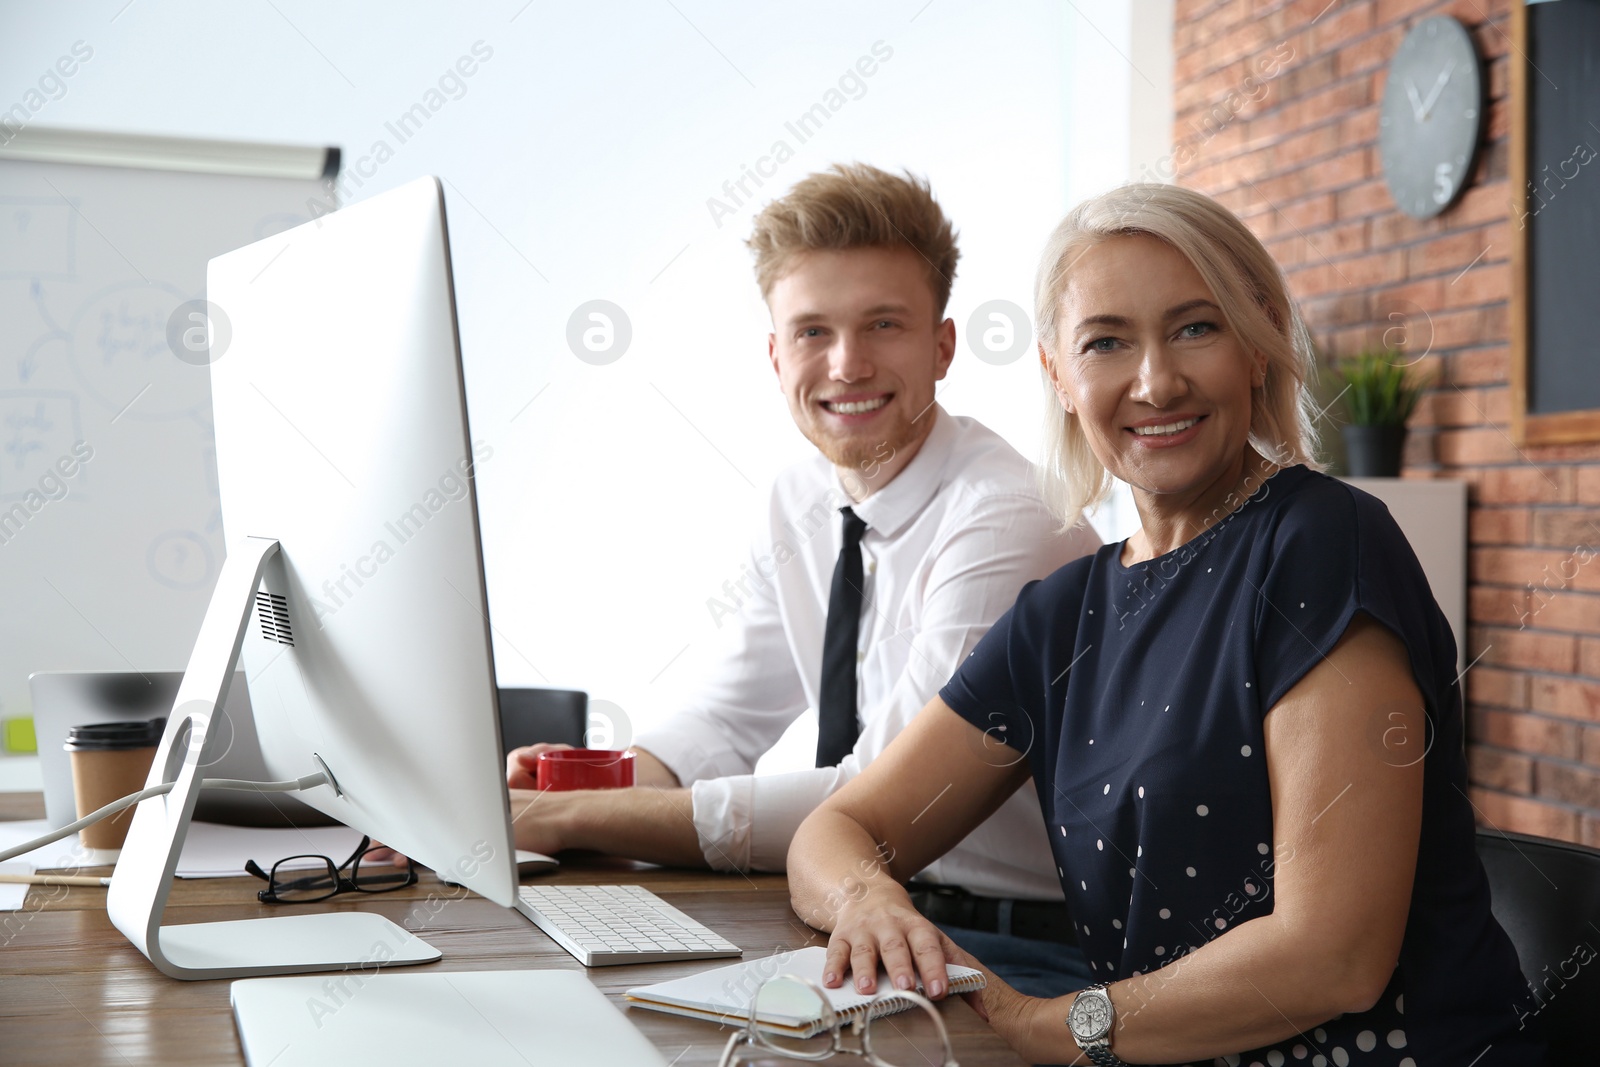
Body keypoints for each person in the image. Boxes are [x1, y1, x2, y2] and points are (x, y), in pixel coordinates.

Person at [786, 182, 1545, 1066]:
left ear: (1258, 344)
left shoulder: (1324, 543)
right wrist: (867, 899)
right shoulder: (1059, 619)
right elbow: (835, 831)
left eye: (1196, 327)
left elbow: (1331, 956)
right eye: (1106, 342)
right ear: (1059, 377)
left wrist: (1053, 1023)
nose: (1156, 381)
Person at [506, 163, 1102, 997]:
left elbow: (880, 803)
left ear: (942, 346)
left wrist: (574, 820)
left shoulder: (1007, 513)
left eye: (883, 324)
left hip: (1012, 945)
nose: (847, 363)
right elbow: (722, 716)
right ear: (776, 353)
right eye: (814, 331)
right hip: (848, 910)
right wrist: (578, 783)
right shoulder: (800, 498)